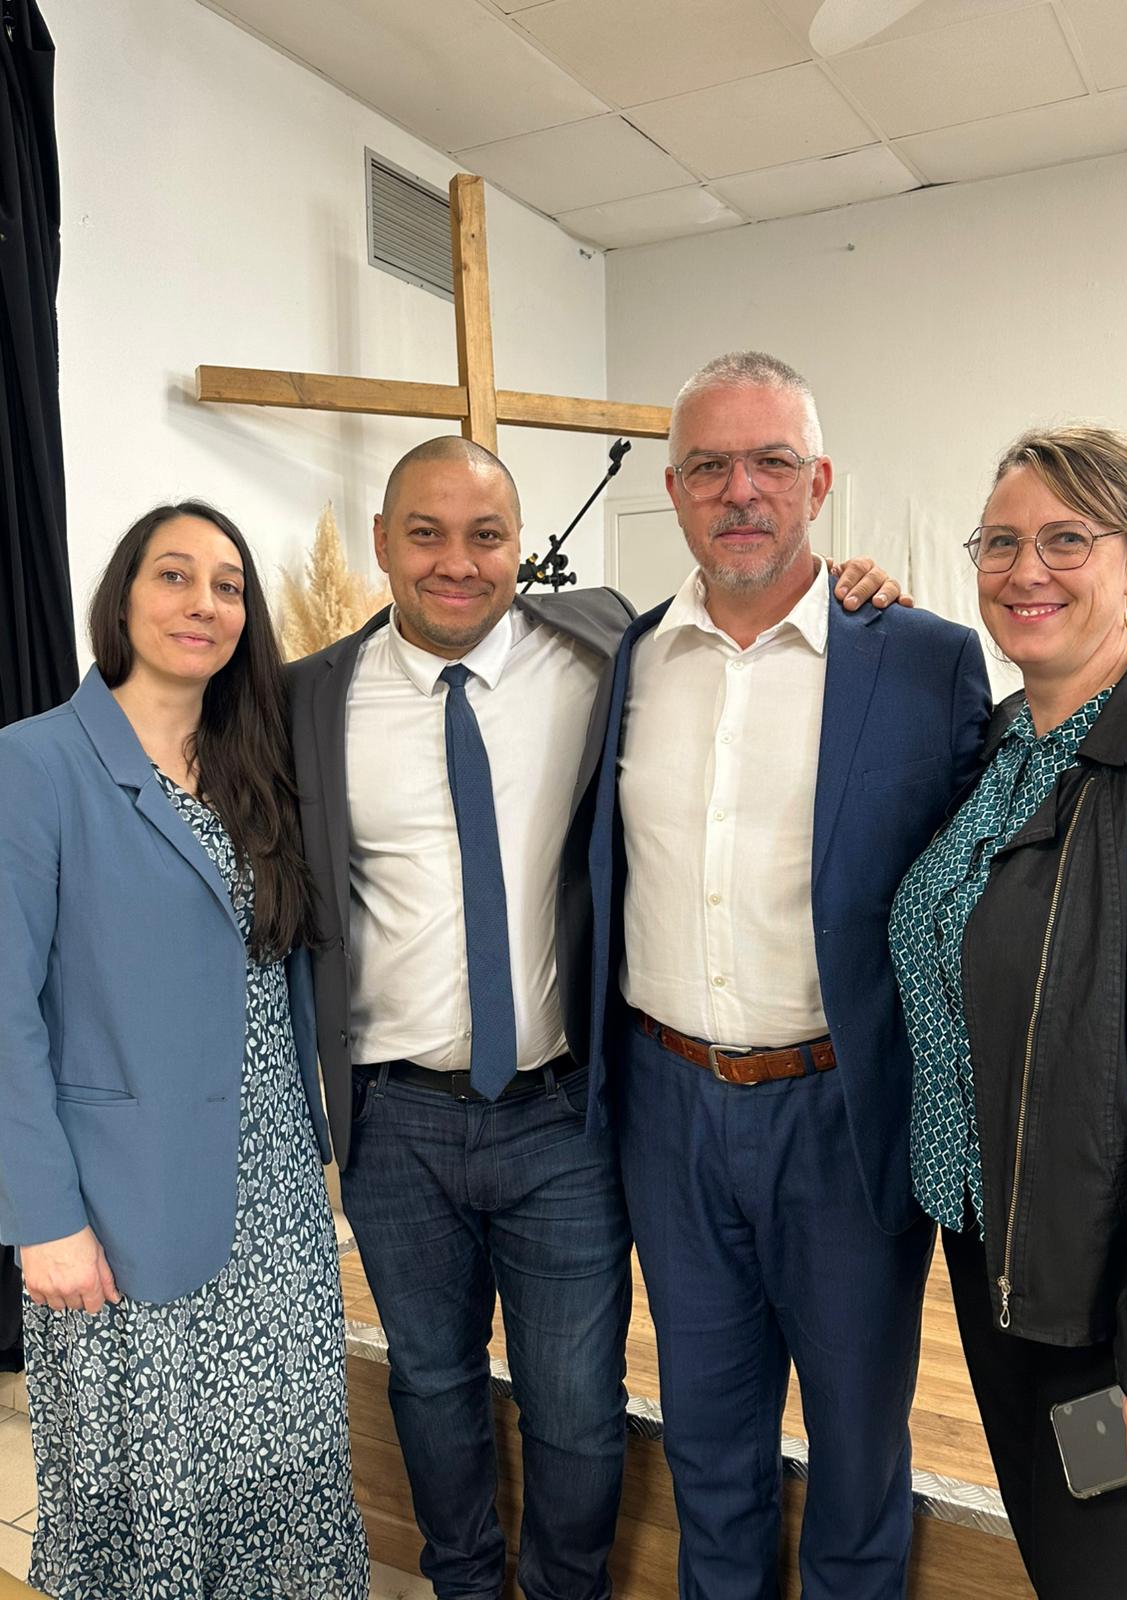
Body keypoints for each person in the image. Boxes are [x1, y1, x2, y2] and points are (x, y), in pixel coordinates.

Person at [287, 433, 899, 1600]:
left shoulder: (606, 644)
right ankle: (466, 1582)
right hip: (394, 1119)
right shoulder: (311, 695)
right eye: (426, 533)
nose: (458, 561)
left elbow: (753, 612)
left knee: (576, 1400)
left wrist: (853, 589)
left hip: (562, 1114)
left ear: (522, 546)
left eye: (487, 534)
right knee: (429, 1379)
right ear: (381, 542)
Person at [586, 351, 991, 1600]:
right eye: (709, 466)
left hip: (841, 1115)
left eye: (771, 462)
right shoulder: (629, 657)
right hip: (667, 1109)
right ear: (672, 490)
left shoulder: (922, 659)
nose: (741, 490)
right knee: (708, 1440)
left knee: (860, 1446)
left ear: (818, 483)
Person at [0, 503, 368, 1597]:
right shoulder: (35, 763)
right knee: (156, 1476)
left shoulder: (257, 762)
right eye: (174, 575)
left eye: (228, 584)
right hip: (121, 1199)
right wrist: (43, 1220)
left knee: (284, 1453)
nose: (203, 603)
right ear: (121, 597)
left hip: (274, 1192)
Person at [890, 426, 1127, 1599]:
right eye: (1001, 542)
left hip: (1114, 1297)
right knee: (1059, 1550)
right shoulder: (1001, 744)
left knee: (1108, 1570)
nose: (1027, 570)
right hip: (999, 1256)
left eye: (1068, 540)